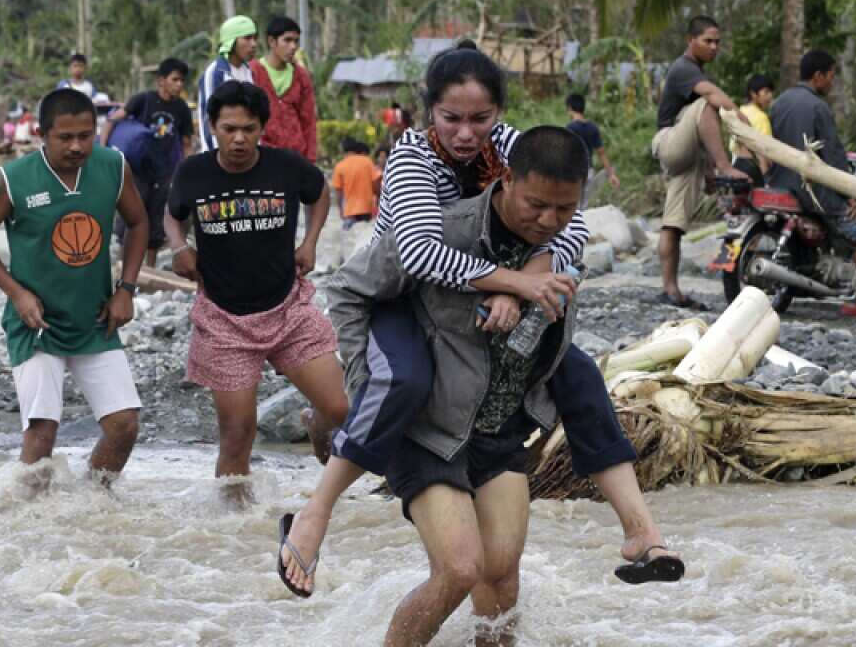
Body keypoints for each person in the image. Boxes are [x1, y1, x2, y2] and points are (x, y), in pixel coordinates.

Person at [278, 47, 678, 598]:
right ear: (429, 113)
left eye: (480, 119)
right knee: (406, 381)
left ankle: (641, 531)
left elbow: (569, 223)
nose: (467, 134)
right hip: (402, 295)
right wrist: (511, 283)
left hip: (476, 301)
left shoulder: (510, 147)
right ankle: (314, 514)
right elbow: (419, 255)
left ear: (498, 113)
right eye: (452, 119)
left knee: (578, 374)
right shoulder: (411, 158)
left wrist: (531, 273)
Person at [328, 127, 671, 647]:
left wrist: (536, 272)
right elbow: (348, 289)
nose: (548, 220)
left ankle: (639, 532)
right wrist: (361, 378)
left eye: (564, 209)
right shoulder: (438, 234)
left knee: (502, 576)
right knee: (458, 571)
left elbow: (554, 331)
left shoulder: (559, 245)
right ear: (507, 179)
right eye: (536, 204)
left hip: (499, 428)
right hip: (431, 431)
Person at [164, 80, 349, 504]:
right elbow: (173, 215)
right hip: (224, 320)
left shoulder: (285, 166)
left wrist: (310, 241)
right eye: (229, 128)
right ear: (212, 126)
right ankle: (234, 528)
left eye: (248, 128)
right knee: (237, 435)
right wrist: (179, 247)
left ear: (262, 127)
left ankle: (314, 423)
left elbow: (318, 193)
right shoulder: (194, 172)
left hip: (288, 309)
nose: (239, 138)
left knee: (339, 408)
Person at [0, 88, 150, 481]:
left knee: (124, 425)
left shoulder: (113, 166)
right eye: (66, 137)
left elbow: (139, 222)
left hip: (95, 318)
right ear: (41, 133)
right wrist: (17, 292)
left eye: (86, 135)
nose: (78, 145)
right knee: (42, 434)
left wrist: (125, 289)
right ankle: (29, 525)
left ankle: (93, 503)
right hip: (37, 324)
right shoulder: (13, 179)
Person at [769, 50, 856, 321]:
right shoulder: (817, 107)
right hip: (813, 190)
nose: (832, 82)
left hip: (780, 185)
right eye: (832, 76)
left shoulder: (779, 102)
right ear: (818, 76)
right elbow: (833, 156)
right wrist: (848, 194)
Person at [651, 15, 752, 310]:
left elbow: (704, 133)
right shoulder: (684, 69)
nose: (714, 47)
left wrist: (708, 173)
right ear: (690, 40)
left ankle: (671, 290)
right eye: (708, 41)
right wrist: (740, 121)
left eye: (718, 42)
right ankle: (725, 167)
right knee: (708, 103)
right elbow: (710, 99)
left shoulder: (696, 74)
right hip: (669, 140)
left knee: (673, 225)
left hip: (689, 156)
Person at [102, 58, 195, 268]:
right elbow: (112, 120)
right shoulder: (144, 100)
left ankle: (150, 270)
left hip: (164, 170)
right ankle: (124, 266)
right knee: (132, 214)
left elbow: (187, 141)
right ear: (161, 80)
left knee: (156, 219)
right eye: (175, 79)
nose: (179, 85)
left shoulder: (181, 108)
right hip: (138, 169)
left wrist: (187, 169)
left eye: (182, 81)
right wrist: (103, 149)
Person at [250, 16, 317, 163]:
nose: (293, 46)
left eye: (296, 41)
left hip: (295, 156)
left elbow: (309, 120)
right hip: (261, 156)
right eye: (287, 40)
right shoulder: (253, 71)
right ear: (272, 41)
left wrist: (310, 159)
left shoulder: (301, 75)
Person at [197, 15, 258, 153]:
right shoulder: (215, 73)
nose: (253, 44)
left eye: (255, 38)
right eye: (247, 38)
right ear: (231, 41)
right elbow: (209, 119)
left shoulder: (248, 71)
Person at [565, 92, 620, 207]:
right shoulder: (592, 127)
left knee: (571, 208)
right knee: (583, 208)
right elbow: (601, 153)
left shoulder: (569, 128)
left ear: (569, 108)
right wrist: (611, 175)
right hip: (588, 172)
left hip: (573, 173)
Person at [729, 74, 774, 185]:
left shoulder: (740, 111)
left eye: (771, 92)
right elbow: (764, 151)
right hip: (755, 170)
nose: (770, 96)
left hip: (736, 165)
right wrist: (767, 180)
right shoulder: (761, 117)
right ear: (753, 94)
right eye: (766, 92)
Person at [331, 138, 381, 228]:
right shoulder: (367, 162)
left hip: (349, 213)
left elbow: (338, 193)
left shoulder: (339, 166)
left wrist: (340, 211)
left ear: (343, 150)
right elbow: (376, 185)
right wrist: (379, 198)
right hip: (367, 210)